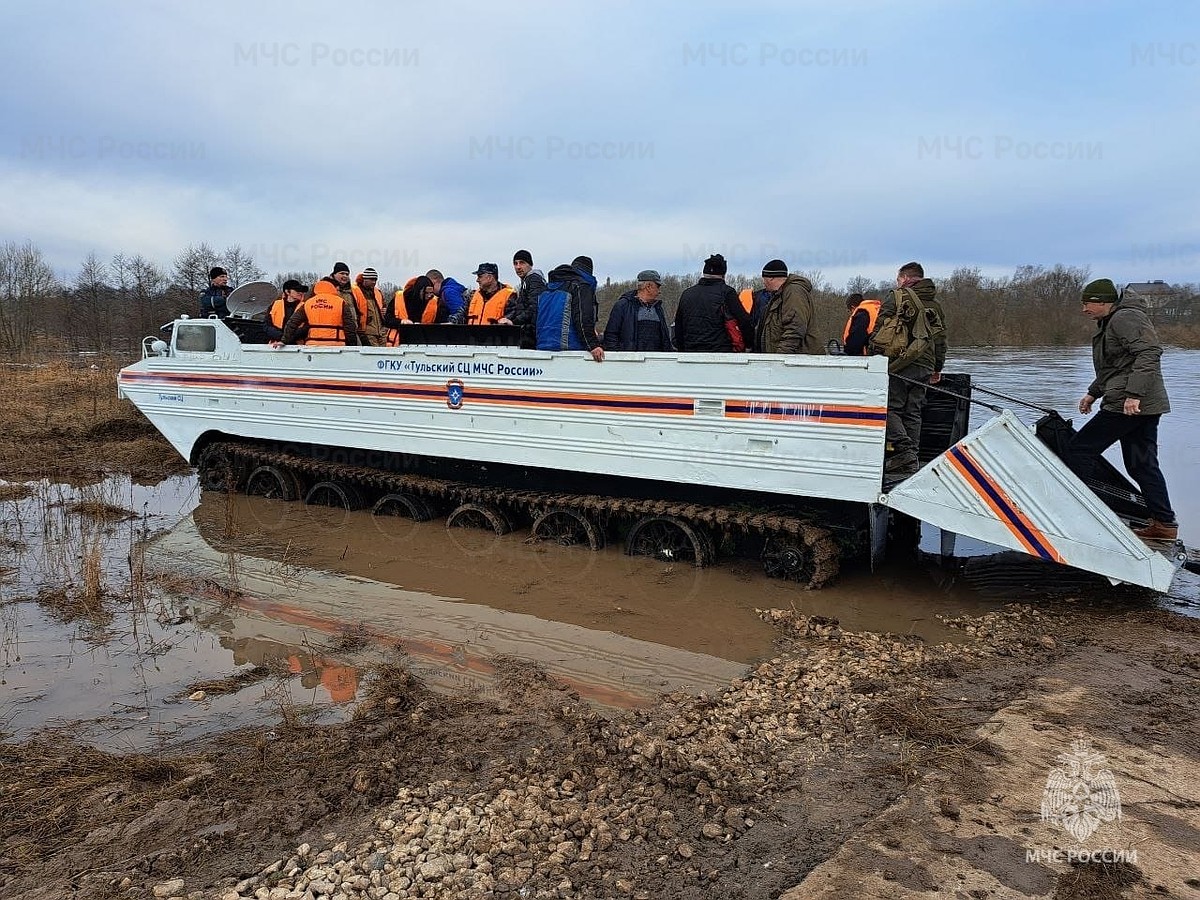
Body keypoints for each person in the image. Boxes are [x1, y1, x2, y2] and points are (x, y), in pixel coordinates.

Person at [1067, 278, 1178, 540]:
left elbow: (1149, 353)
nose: (1084, 309)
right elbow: (1116, 366)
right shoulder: (1112, 320)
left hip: (1127, 404)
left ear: (1104, 302)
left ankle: (1078, 515)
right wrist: (1093, 393)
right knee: (1142, 465)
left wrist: (1133, 395)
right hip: (1140, 404)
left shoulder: (1124, 318)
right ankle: (1164, 525)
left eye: (1087, 303)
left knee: (1078, 450)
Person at [872, 261, 946, 478]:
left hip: (899, 363)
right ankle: (911, 462)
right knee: (913, 411)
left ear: (904, 278)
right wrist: (937, 367)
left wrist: (874, 361)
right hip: (925, 364)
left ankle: (902, 450)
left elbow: (880, 333)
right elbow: (941, 339)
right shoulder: (935, 304)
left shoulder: (896, 297)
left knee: (890, 408)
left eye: (898, 279)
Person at [674, 254, 751, 352]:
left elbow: (679, 326)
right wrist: (749, 345)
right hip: (721, 353)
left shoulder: (687, 294)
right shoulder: (727, 292)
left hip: (691, 353)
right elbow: (743, 320)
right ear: (723, 274)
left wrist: (682, 350)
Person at [537, 255, 604, 362]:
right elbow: (582, 318)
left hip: (543, 346)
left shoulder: (546, 288)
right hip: (570, 348)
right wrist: (592, 344)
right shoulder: (580, 286)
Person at [755, 260, 820, 355]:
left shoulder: (793, 292)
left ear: (771, 278)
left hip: (797, 361)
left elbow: (795, 328)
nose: (763, 283)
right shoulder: (780, 294)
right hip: (789, 360)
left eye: (764, 279)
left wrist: (780, 358)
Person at [602, 270, 672, 351]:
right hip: (629, 361)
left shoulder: (658, 308)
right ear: (648, 287)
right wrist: (620, 358)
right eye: (658, 287)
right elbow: (611, 336)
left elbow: (665, 340)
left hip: (655, 361)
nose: (659, 291)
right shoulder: (623, 305)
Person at [280, 279, 359, 346]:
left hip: (312, 345)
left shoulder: (308, 303)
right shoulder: (341, 302)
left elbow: (293, 322)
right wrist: (352, 346)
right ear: (333, 289)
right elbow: (349, 327)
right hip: (337, 345)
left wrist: (284, 340)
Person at [500, 249, 546, 347]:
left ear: (530, 264)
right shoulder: (525, 282)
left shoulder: (534, 279)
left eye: (522, 263)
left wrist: (514, 322)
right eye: (515, 263)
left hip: (533, 335)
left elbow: (534, 307)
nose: (518, 267)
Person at [383, 275, 448, 344]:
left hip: (422, 343)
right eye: (426, 293)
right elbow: (387, 320)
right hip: (398, 344)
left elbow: (441, 322)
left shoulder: (436, 302)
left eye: (431, 293)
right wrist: (401, 322)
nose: (429, 296)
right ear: (418, 291)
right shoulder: (399, 298)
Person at [351, 267, 387, 346]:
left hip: (381, 332)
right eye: (371, 279)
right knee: (374, 356)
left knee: (383, 356)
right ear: (365, 279)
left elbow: (384, 307)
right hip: (366, 332)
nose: (374, 282)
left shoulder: (378, 292)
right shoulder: (355, 291)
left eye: (375, 280)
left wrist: (385, 311)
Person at [842, 292, 881, 356]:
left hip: (871, 354)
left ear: (853, 307)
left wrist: (848, 352)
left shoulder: (862, 314)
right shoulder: (878, 309)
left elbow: (856, 338)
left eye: (850, 311)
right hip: (883, 351)